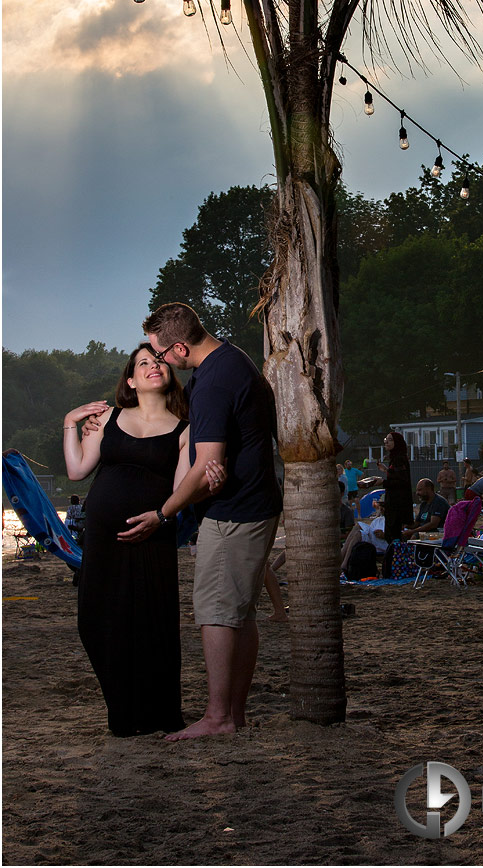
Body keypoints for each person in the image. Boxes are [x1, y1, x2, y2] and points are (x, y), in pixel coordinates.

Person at [121, 302, 283, 741]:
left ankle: (218, 717)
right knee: (240, 612)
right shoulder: (233, 359)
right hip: (255, 504)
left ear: (178, 346)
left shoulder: (210, 383)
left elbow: (208, 466)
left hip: (235, 511)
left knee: (215, 612)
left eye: (159, 353)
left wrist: (162, 513)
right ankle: (234, 713)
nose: (159, 361)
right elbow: (215, 452)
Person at [63, 345, 217, 737]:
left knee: (152, 623)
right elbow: (78, 469)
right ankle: (122, 710)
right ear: (131, 380)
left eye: (160, 360)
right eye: (143, 363)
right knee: (96, 620)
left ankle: (156, 716)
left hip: (153, 534)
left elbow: (183, 488)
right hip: (102, 537)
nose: (153, 365)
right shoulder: (109, 418)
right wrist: (69, 421)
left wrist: (175, 507)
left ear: (170, 374)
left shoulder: (185, 429)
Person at [377, 431, 413, 543]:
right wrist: (386, 470)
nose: (387, 442)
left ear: (397, 443)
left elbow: (401, 481)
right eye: (386, 439)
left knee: (393, 536)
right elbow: (397, 475)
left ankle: (396, 558)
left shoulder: (399, 459)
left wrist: (382, 482)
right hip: (393, 504)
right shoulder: (395, 458)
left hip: (397, 506)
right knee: (391, 535)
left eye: (390, 440)